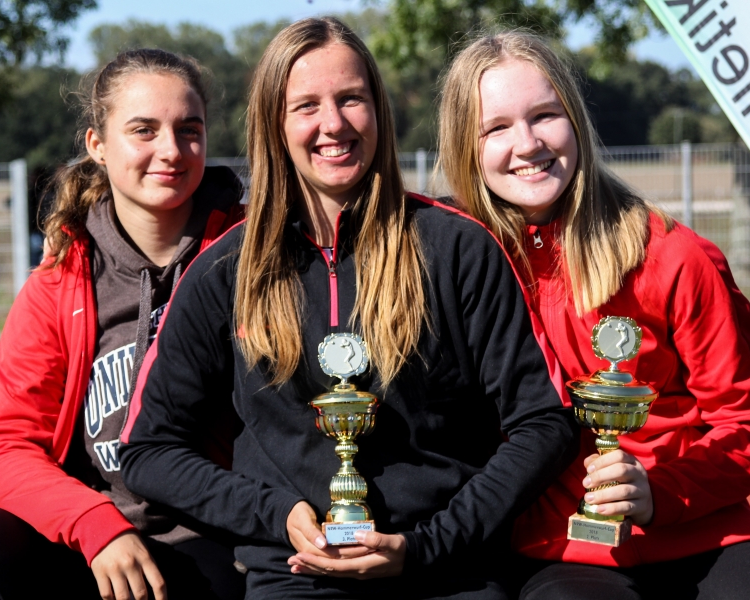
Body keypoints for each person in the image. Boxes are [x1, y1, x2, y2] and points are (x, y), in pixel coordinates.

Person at [119, 17, 579, 600]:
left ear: (378, 110)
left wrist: (429, 544)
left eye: (351, 99)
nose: (333, 123)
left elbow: (544, 422)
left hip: (447, 573)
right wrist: (276, 514)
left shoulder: (458, 247)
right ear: (274, 124)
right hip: (295, 578)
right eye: (306, 106)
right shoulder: (224, 269)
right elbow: (149, 451)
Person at [436, 30, 750, 600]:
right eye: (495, 128)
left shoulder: (675, 256)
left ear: (575, 120)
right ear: (464, 146)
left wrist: (660, 491)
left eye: (545, 115)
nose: (527, 143)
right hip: (554, 547)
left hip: (700, 529)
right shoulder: (457, 265)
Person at [0, 49, 245, 600]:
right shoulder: (61, 279)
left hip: (214, 532)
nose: (170, 150)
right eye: (143, 130)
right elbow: (4, 444)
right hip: (95, 532)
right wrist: (94, 524)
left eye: (189, 130)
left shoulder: (251, 254)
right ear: (98, 144)